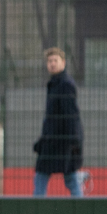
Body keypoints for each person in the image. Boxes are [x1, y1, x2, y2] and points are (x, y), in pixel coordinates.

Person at [32, 47, 84, 197]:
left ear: (64, 62)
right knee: (51, 175)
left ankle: (38, 210)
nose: (52, 64)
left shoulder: (66, 84)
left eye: (55, 60)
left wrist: (74, 141)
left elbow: (71, 115)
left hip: (63, 140)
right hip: (54, 140)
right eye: (49, 61)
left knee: (65, 177)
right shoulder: (54, 83)